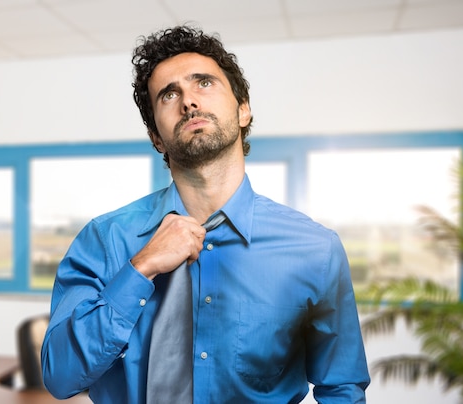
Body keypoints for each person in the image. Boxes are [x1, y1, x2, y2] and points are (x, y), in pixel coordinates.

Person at [41, 25, 370, 403]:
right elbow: (60, 376)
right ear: (156, 138)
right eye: (169, 94)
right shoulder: (104, 240)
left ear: (243, 110)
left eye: (205, 84)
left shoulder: (316, 249)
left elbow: (341, 387)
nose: (189, 102)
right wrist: (140, 268)